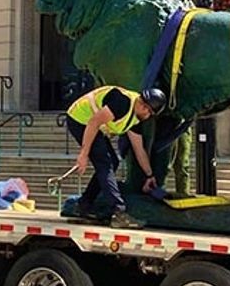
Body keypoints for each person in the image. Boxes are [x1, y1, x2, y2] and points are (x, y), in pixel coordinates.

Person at [67, 86, 167, 229]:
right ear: (141, 102)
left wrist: (149, 175)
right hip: (80, 119)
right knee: (105, 163)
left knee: (112, 162)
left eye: (150, 112)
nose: (146, 113)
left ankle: (84, 205)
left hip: (93, 125)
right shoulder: (122, 102)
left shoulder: (136, 119)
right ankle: (118, 212)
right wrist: (83, 154)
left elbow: (139, 149)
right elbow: (94, 122)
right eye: (145, 108)